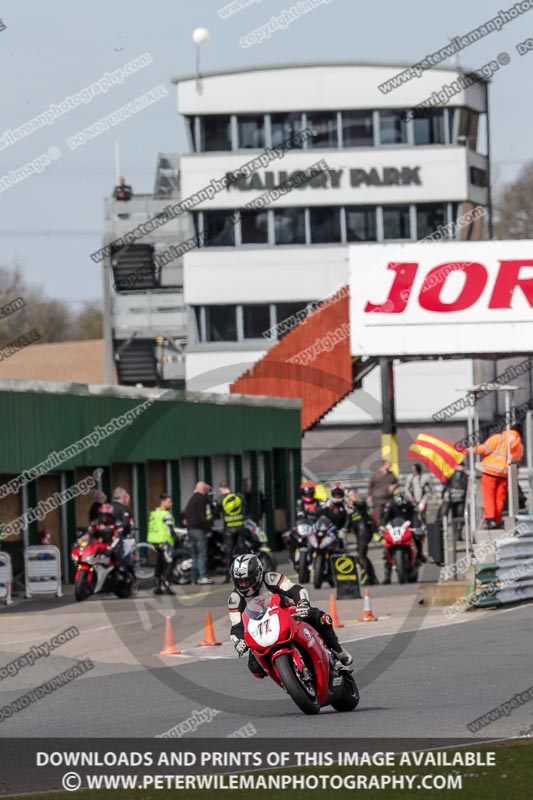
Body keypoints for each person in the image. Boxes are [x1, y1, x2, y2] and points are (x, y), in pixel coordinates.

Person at [227, 554, 353, 678]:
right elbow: (236, 626)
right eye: (240, 582)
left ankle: (337, 651)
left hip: (286, 612)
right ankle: (285, 678)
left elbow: (296, 590)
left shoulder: (271, 578)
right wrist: (239, 641)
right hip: (260, 629)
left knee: (319, 617)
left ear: (258, 574)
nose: (244, 585)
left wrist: (302, 603)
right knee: (255, 667)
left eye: (248, 580)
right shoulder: (235, 599)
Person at [470, 422, 524, 529]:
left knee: (489, 496)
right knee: (500, 498)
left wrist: (471, 450)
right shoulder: (519, 445)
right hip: (504, 475)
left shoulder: (499, 438)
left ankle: (490, 519)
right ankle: (497, 520)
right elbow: (518, 460)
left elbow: (484, 449)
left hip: (490, 472)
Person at [381, 491, 426, 581]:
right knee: (384, 549)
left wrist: (416, 527)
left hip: (408, 528)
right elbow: (384, 519)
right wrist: (381, 527)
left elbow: (415, 518)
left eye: (403, 504)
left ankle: (420, 554)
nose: (401, 506)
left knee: (419, 536)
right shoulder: (391, 506)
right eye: (399, 505)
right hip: (394, 530)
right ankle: (387, 576)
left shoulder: (411, 506)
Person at [147, 494, 178, 595]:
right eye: (169, 502)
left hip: (155, 541)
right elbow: (171, 530)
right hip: (164, 541)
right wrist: (177, 537)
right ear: (163, 502)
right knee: (170, 562)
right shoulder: (166, 515)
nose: (171, 504)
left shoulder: (154, 513)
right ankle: (166, 583)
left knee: (160, 563)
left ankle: (158, 585)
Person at [346, 488, 378, 585]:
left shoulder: (361, 504)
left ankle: (365, 577)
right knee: (362, 554)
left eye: (351, 495)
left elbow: (361, 505)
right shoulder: (351, 509)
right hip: (358, 533)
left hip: (365, 531)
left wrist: (353, 503)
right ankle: (372, 577)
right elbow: (348, 521)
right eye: (349, 496)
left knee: (361, 555)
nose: (350, 498)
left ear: (356, 494)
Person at [184, 482, 214, 585]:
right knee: (202, 554)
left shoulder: (191, 499)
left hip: (190, 530)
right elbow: (203, 516)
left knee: (194, 555)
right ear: (203, 490)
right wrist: (208, 530)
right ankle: (203, 577)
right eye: (205, 489)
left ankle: (193, 578)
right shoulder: (202, 499)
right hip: (199, 530)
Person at [217, 481, 246, 568]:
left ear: (221, 488)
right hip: (240, 527)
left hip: (229, 529)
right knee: (242, 550)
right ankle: (244, 571)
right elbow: (245, 509)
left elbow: (216, 514)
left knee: (228, 551)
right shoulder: (239, 497)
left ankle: (229, 574)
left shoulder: (220, 499)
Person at [368, 460, 398, 528]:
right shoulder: (375, 475)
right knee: (378, 517)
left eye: (390, 465)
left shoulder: (391, 475)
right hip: (378, 500)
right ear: (383, 465)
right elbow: (370, 486)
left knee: (390, 515)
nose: (389, 466)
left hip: (389, 499)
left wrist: (394, 486)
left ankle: (390, 531)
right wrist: (369, 496)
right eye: (388, 465)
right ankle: (379, 531)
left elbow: (397, 483)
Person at [442, 462, 468, 541]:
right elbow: (467, 487)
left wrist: (443, 495)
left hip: (452, 499)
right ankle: (458, 533)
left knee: (454, 517)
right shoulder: (465, 476)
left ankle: (456, 533)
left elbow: (446, 486)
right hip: (461, 499)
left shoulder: (451, 474)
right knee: (460, 517)